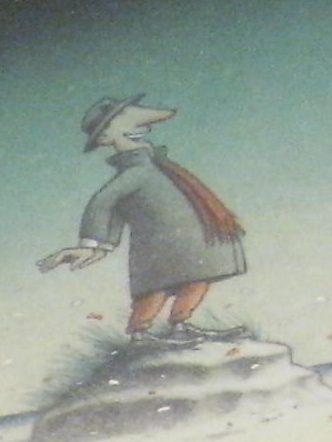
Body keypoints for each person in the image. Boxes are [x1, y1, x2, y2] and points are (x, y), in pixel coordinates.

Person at [36, 97, 248, 341]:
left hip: (187, 241)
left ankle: (180, 326)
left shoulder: (152, 163)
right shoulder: (137, 170)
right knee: (156, 287)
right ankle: (140, 333)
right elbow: (104, 202)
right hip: (159, 245)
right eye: (120, 117)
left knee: (199, 276)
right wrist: (92, 244)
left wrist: (103, 245)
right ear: (105, 136)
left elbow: (118, 208)